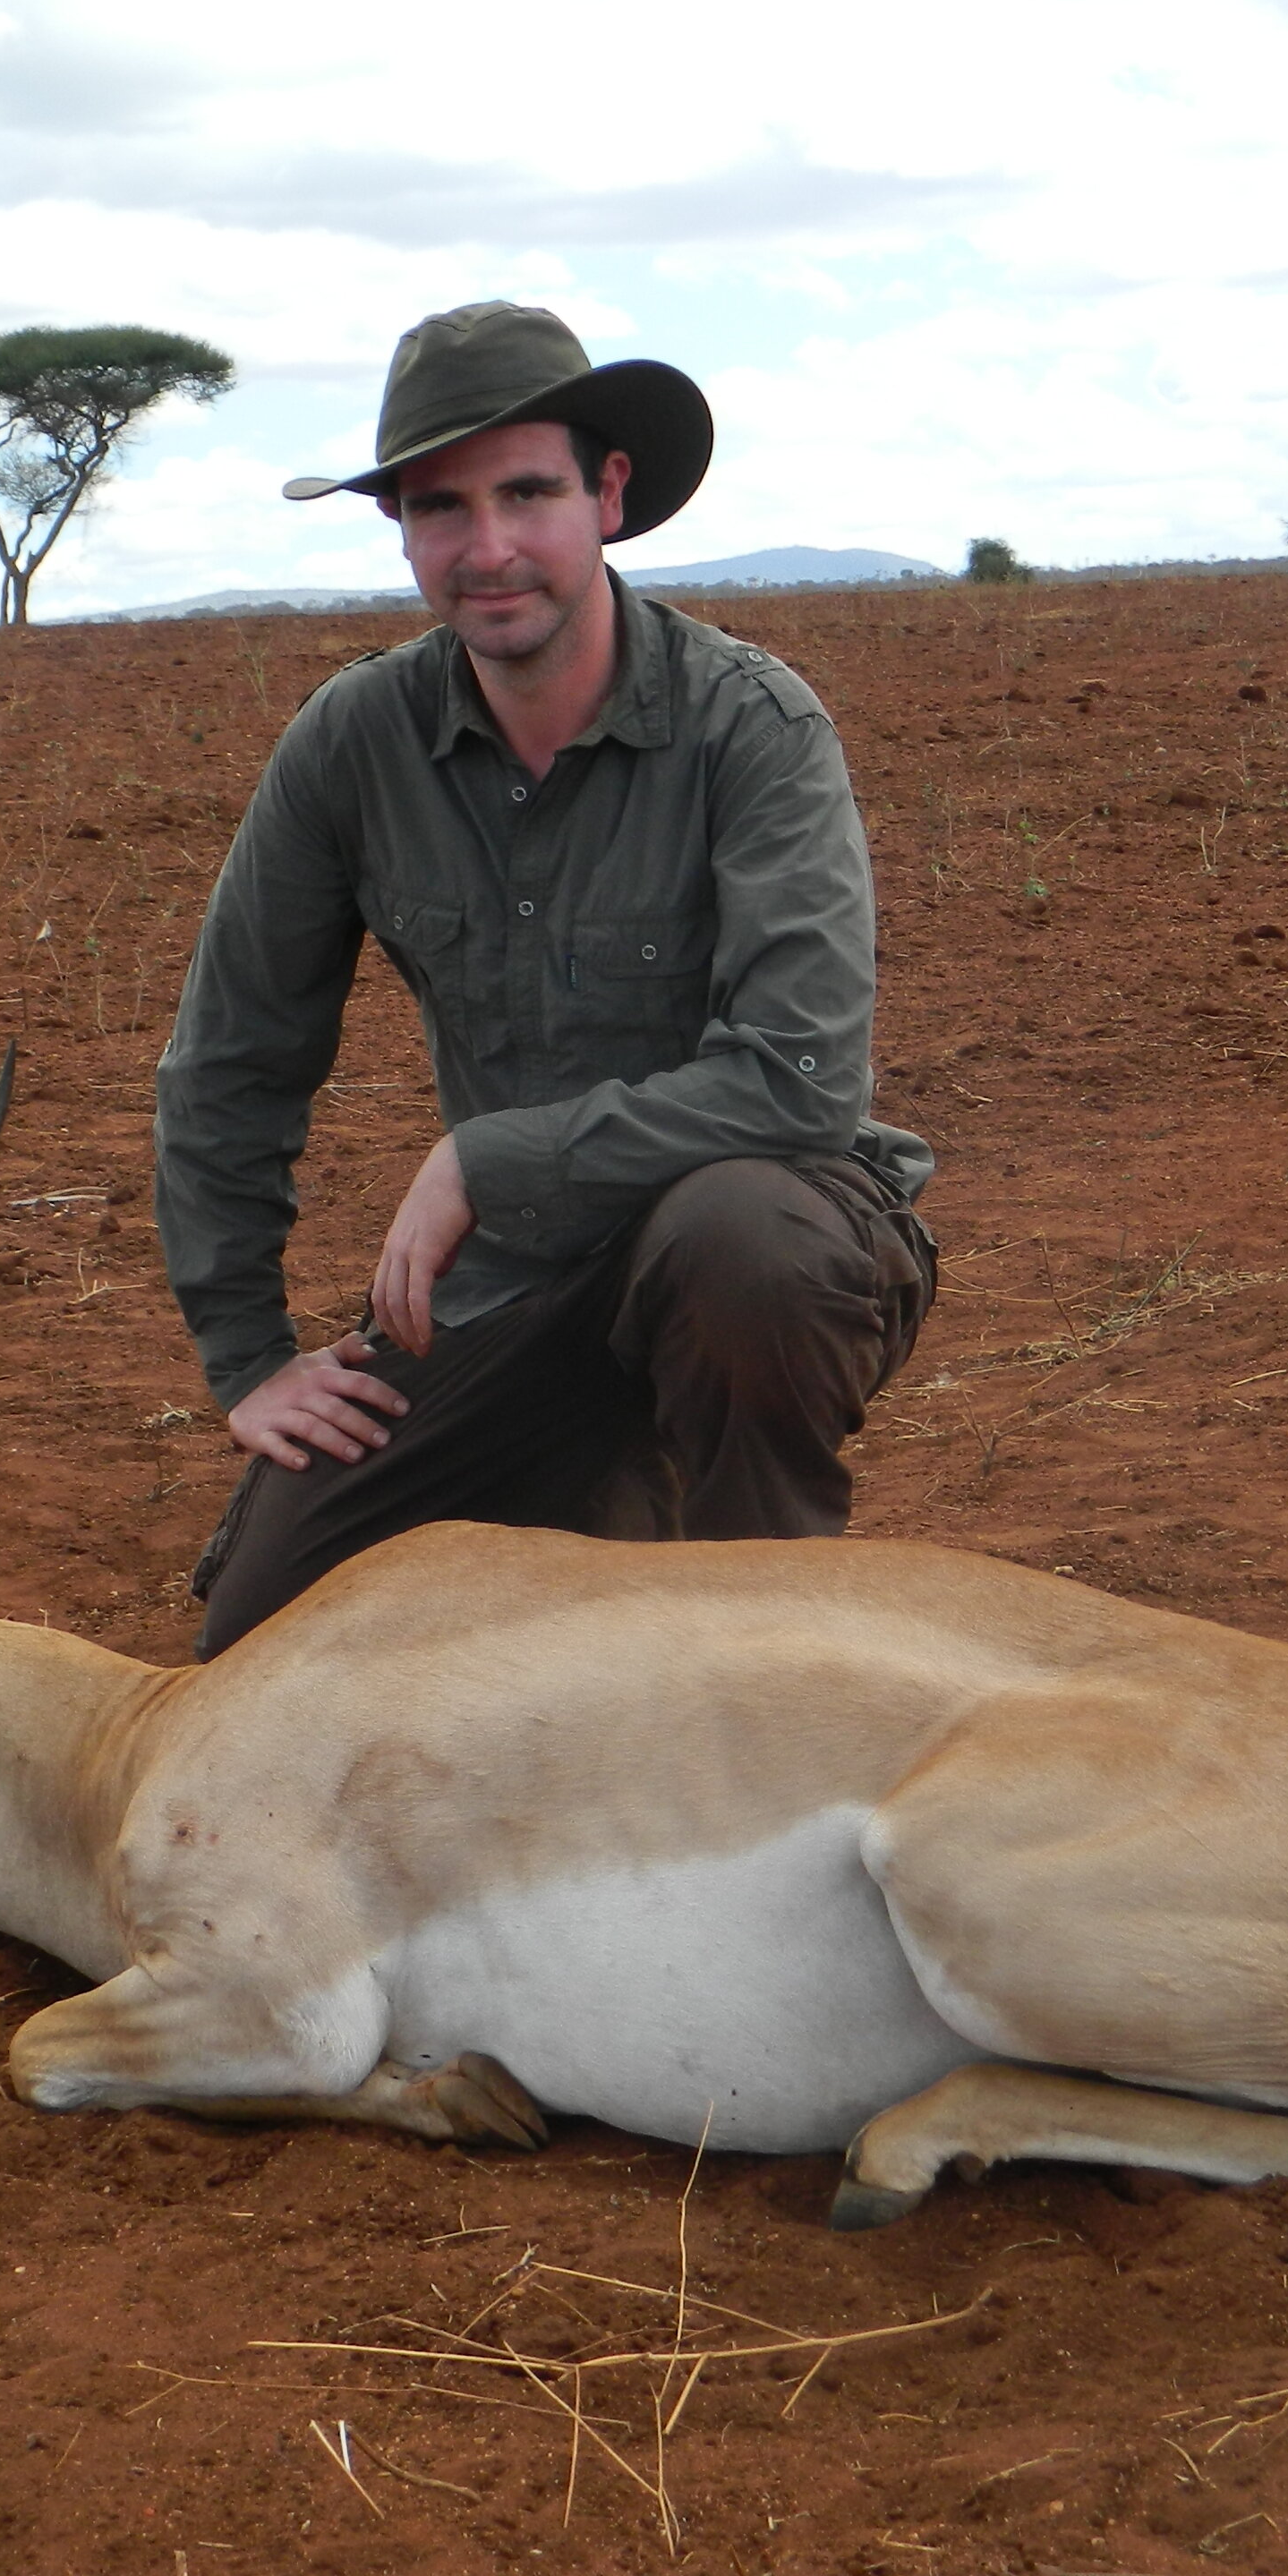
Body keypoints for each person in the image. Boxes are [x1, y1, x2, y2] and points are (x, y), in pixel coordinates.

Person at [152, 301, 938, 1656]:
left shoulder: (751, 727)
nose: (490, 547)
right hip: (506, 1291)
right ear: (398, 526)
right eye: (442, 507)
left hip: (756, 1242)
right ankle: (601, 1494)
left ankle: (768, 1654)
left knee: (744, 1245)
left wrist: (482, 1162)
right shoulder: (352, 744)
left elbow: (797, 1082)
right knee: (261, 1650)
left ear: (609, 495)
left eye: (528, 491)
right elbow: (233, 1060)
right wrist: (250, 1355)